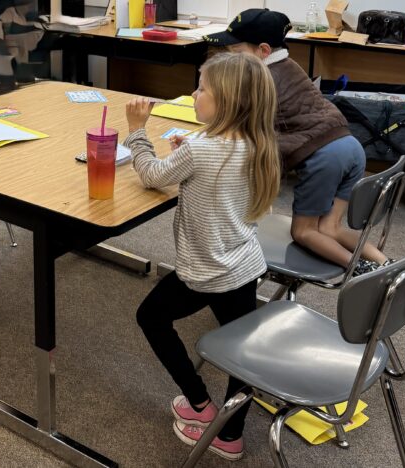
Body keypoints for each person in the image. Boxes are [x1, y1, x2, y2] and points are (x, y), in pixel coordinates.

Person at [124, 52, 281, 460]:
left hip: (206, 270)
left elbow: (153, 175)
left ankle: (200, 405)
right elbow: (211, 170)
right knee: (241, 354)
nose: (194, 94)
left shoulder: (201, 148)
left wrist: (137, 132)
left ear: (226, 102)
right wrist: (186, 149)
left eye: (201, 88)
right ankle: (231, 433)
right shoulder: (256, 141)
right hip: (244, 264)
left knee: (151, 318)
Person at [205, 9, 390, 275]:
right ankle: (384, 262)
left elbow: (244, 129)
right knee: (329, 228)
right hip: (350, 146)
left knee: (303, 231)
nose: (229, 59)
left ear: (263, 50)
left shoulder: (262, 81)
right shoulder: (289, 65)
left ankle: (360, 269)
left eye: (235, 52)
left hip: (324, 157)